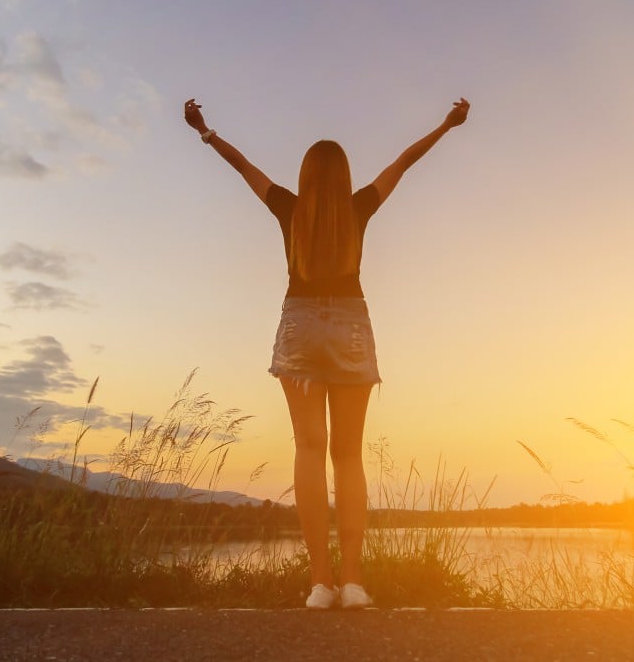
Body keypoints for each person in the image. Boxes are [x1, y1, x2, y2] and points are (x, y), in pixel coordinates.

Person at [183, 96, 470, 609]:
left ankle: (320, 584)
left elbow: (242, 165)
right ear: (343, 177)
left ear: (306, 178)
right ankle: (354, 583)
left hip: (299, 323)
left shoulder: (288, 208)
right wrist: (446, 125)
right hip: (350, 326)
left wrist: (205, 132)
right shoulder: (359, 207)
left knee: (309, 451)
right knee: (348, 455)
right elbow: (404, 161)